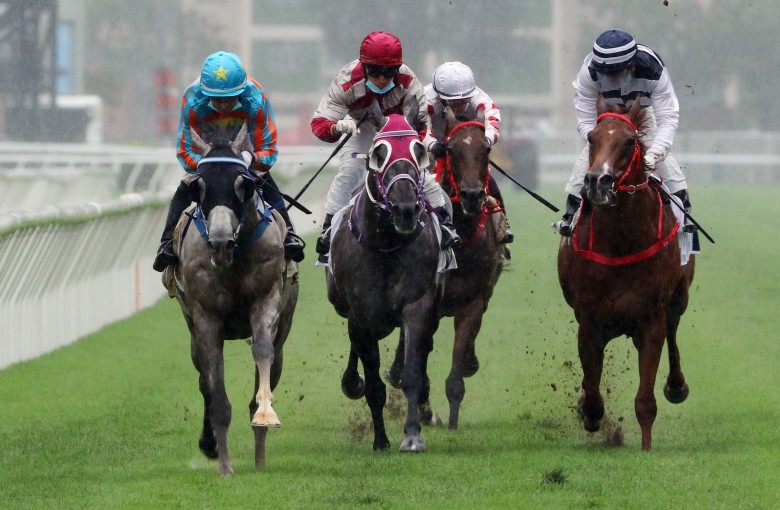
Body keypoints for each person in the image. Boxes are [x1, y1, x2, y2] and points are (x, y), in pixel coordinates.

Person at [310, 31, 460, 263]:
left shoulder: (409, 82)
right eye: (375, 71)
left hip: (399, 131)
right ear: (364, 66)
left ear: (398, 68)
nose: (382, 78)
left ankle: (445, 224)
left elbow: (421, 126)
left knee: (419, 173)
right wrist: (337, 127)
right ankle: (329, 230)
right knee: (350, 172)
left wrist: (427, 146)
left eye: (389, 72)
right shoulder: (346, 81)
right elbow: (319, 124)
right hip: (361, 129)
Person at [153, 51, 305, 272]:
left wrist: (248, 159)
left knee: (265, 180)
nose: (223, 105)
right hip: (206, 158)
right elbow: (185, 151)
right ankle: (167, 243)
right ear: (206, 93)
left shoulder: (255, 98)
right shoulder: (193, 100)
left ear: (241, 91)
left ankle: (289, 235)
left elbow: (268, 151)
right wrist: (207, 164)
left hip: (244, 154)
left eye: (229, 99)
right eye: (217, 99)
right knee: (185, 187)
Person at [554, 29, 696, 237]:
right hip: (605, 117)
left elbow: (668, 118)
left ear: (632, 65)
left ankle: (684, 217)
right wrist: (600, 142)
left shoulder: (653, 70)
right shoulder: (588, 72)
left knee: (668, 169)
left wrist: (653, 154)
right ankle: (570, 215)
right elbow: (585, 121)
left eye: (615, 74)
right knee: (585, 164)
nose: (610, 80)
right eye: (605, 74)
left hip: (642, 113)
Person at [423, 61, 513, 247]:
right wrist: (433, 146)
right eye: (453, 101)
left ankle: (502, 226)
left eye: (463, 101)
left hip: (465, 151)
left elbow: (493, 122)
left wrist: (484, 143)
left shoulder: (479, 98)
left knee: (491, 184)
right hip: (432, 153)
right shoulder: (425, 100)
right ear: (440, 96)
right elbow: (422, 129)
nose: (459, 105)